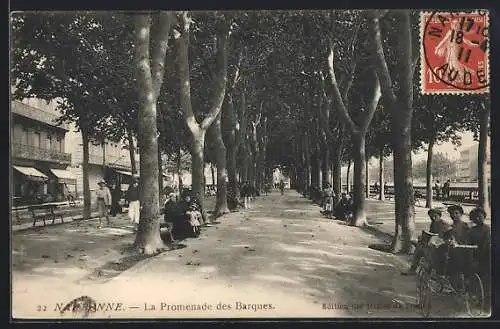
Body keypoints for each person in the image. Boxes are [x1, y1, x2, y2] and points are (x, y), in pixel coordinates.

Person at [402, 208, 447, 275]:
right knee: (419, 247)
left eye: (435, 216)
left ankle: (416, 269)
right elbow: (431, 234)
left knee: (420, 249)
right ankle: (413, 268)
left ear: (439, 216)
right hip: (431, 243)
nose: (433, 218)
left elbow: (443, 238)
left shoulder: (443, 224)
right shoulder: (433, 223)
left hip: (439, 246)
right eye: (431, 217)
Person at [467, 207, 491, 311]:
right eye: (475, 217)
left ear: (484, 217)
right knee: (477, 279)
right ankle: (479, 299)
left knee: (487, 280)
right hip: (476, 257)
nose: (478, 218)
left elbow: (486, 245)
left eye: (480, 216)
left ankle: (486, 303)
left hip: (486, 257)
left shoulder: (487, 229)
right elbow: (468, 244)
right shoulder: (471, 231)